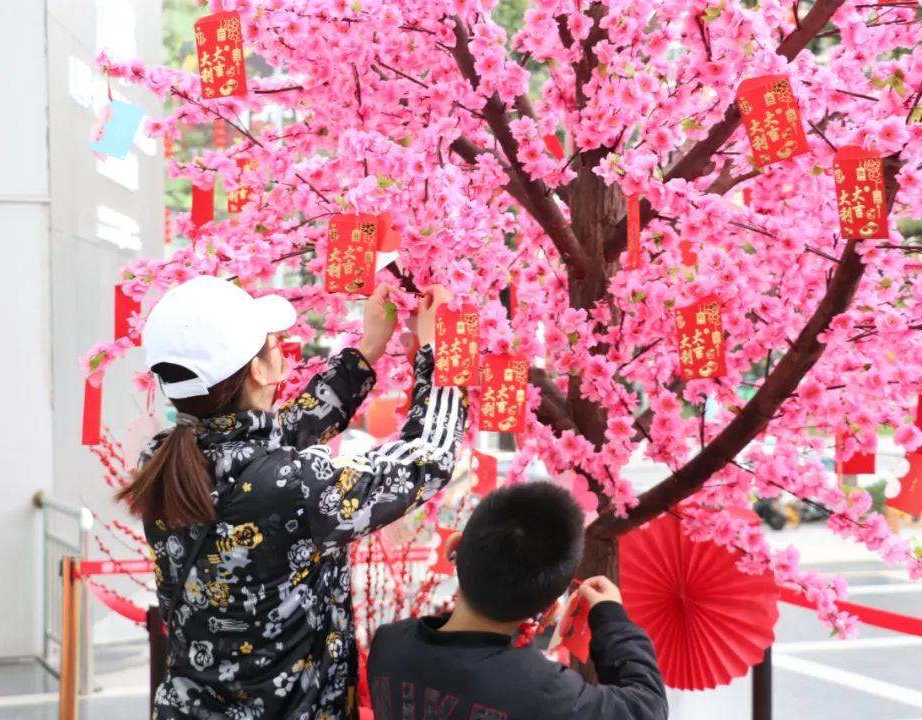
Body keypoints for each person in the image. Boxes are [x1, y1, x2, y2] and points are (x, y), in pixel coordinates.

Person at [116, 275, 467, 719]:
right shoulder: (293, 486)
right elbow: (428, 459)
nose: (281, 350)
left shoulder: (162, 458)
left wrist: (365, 353)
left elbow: (273, 439)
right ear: (260, 370)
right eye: (274, 344)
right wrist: (439, 356)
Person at [367, 483, 669, 720]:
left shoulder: (389, 644)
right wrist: (611, 619)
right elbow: (646, 708)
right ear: (550, 611)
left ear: (453, 547)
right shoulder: (544, 692)